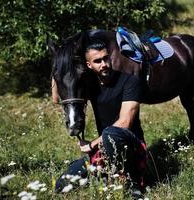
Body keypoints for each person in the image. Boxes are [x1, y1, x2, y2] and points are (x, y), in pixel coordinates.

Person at [54, 39, 147, 198]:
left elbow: (124, 123)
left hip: (130, 145)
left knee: (111, 132)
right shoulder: (91, 86)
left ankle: (131, 182)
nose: (104, 64)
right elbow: (56, 98)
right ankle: (105, 174)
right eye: (97, 61)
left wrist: (91, 145)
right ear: (89, 65)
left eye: (106, 58)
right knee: (61, 185)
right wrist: (57, 66)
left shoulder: (130, 81)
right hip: (104, 149)